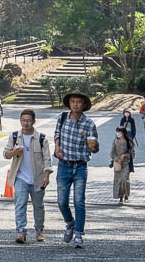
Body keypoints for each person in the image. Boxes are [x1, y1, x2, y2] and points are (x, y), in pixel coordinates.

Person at [54, 92, 99, 249]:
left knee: (79, 201)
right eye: (73, 101)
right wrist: (57, 147)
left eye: (79, 102)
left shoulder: (89, 123)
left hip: (80, 166)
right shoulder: (62, 117)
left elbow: (95, 148)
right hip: (63, 165)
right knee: (61, 201)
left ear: (84, 105)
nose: (75, 104)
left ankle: (79, 234)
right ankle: (70, 224)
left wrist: (94, 146)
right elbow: (57, 134)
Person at [2, 108, 54, 244]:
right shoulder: (14, 136)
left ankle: (39, 230)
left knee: (38, 206)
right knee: (20, 204)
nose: (25, 123)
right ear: (20, 121)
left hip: (38, 178)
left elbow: (48, 159)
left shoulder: (41, 138)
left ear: (34, 122)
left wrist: (46, 176)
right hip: (20, 177)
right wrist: (14, 152)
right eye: (23, 120)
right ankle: (20, 231)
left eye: (28, 121)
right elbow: (6, 154)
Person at [110, 126, 135, 204]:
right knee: (119, 181)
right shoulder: (115, 141)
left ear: (123, 133)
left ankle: (126, 195)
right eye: (117, 132)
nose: (118, 134)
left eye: (119, 132)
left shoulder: (129, 142)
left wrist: (124, 156)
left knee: (125, 180)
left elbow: (132, 155)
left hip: (126, 164)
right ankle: (120, 197)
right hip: (117, 164)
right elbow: (112, 153)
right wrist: (117, 159)